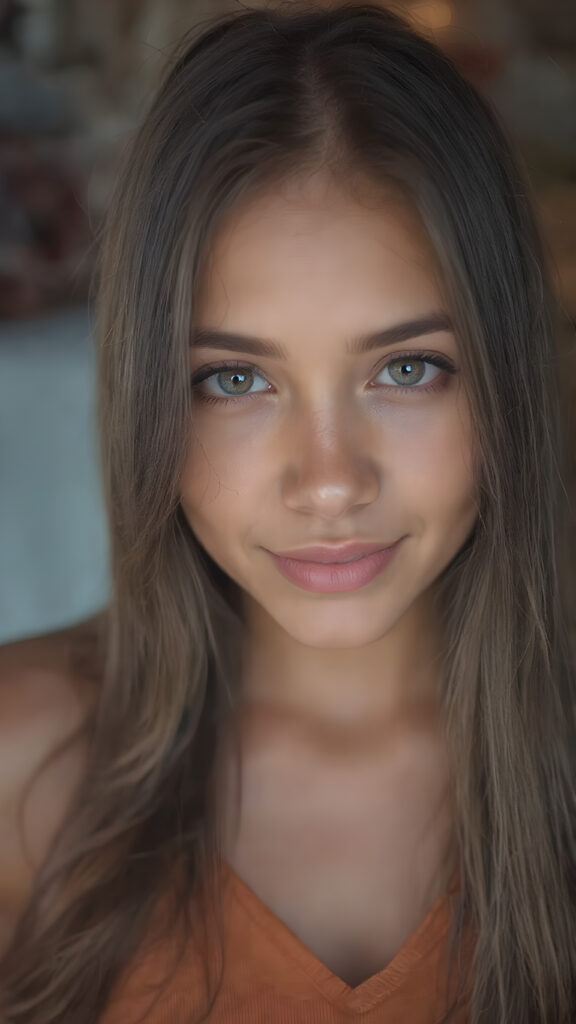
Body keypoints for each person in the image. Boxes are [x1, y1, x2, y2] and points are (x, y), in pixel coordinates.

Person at [0, 3, 574, 1022]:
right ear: (147, 401)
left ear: (506, 375)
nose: (330, 482)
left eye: (408, 369)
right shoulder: (20, 761)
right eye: (235, 380)